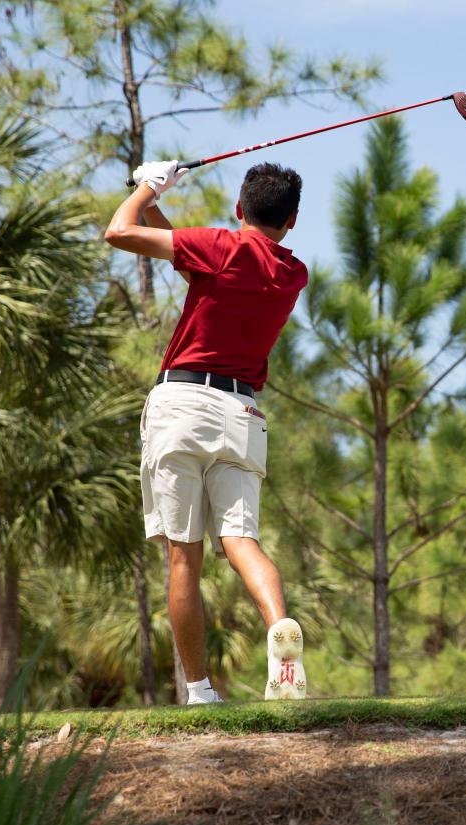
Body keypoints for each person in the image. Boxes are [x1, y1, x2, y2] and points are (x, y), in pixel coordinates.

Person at [105, 160, 308, 704]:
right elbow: (184, 252)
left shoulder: (220, 247)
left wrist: (151, 185)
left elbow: (118, 231)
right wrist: (151, 198)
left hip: (182, 407)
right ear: (291, 222)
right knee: (241, 540)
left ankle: (199, 690)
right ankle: (280, 631)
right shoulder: (292, 272)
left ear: (239, 209)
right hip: (241, 415)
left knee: (182, 556)